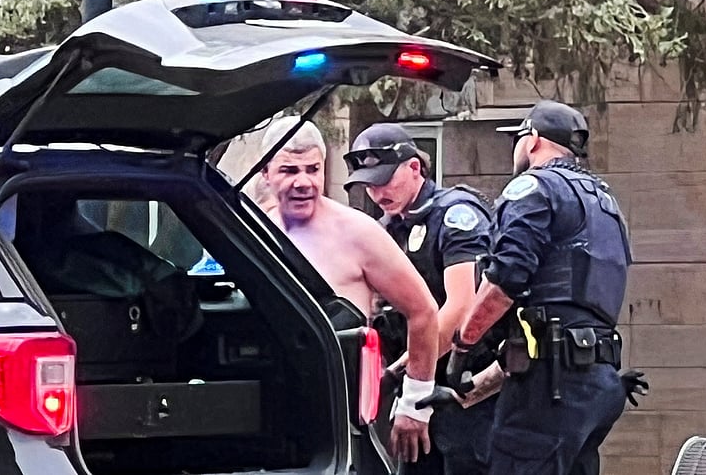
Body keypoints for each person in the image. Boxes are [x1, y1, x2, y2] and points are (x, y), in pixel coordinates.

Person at [447, 100, 632, 475]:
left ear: (532, 140)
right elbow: (550, 327)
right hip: (598, 383)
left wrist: (462, 345)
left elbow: (505, 281)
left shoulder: (534, 187)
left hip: (551, 389)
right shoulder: (605, 202)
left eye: (517, 139)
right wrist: (466, 393)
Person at [259, 116, 441, 464]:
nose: (303, 182)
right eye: (289, 171)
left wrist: (415, 402)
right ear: (266, 173)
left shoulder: (358, 232)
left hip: (347, 415)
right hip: (275, 408)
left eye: (313, 170)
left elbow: (423, 310)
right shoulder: (256, 230)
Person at [343, 123, 506, 475]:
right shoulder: (387, 228)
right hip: (418, 385)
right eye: (369, 184)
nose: (377, 192)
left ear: (415, 167)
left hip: (465, 387)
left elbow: (462, 307)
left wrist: (402, 372)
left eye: (385, 180)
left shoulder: (455, 215)